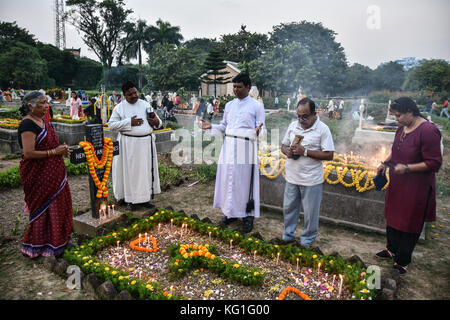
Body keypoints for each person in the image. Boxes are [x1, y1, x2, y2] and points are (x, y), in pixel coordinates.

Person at [376, 97, 442, 274]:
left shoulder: (428, 131)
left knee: (409, 221)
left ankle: (402, 260)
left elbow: (435, 163)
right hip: (398, 183)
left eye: (398, 115)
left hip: (416, 187)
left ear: (410, 112)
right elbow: (395, 150)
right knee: (393, 215)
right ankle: (392, 249)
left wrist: (407, 168)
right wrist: (384, 162)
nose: (396, 119)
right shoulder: (401, 128)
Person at [198, 73, 265, 234]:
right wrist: (211, 127)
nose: (235, 90)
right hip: (228, 147)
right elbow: (223, 126)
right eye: (234, 86)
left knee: (244, 182)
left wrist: (258, 132)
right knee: (229, 180)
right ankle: (230, 213)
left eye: (239, 87)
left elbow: (262, 129)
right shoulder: (229, 105)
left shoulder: (256, 106)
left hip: (245, 148)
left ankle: (247, 216)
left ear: (248, 87)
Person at [18, 91, 73, 258]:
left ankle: (58, 241)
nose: (46, 106)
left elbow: (51, 145)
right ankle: (40, 245)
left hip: (54, 174)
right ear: (30, 106)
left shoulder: (43, 121)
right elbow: (28, 153)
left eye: (46, 102)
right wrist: (53, 152)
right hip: (38, 175)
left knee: (59, 206)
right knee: (44, 208)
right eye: (42, 103)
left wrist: (61, 150)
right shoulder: (28, 124)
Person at [280, 98, 335, 246]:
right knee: (289, 208)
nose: (301, 120)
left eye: (305, 116)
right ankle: (288, 236)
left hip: (311, 180)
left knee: (310, 213)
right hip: (292, 177)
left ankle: (306, 240)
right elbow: (283, 146)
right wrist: (288, 152)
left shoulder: (323, 129)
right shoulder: (293, 126)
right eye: (298, 116)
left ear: (314, 114)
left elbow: (329, 154)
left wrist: (305, 152)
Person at [108, 81, 162, 212]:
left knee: (145, 172)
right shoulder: (119, 108)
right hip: (130, 145)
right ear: (124, 95)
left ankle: (145, 198)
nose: (134, 95)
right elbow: (111, 125)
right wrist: (129, 122)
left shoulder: (145, 104)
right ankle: (131, 199)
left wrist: (156, 122)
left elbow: (158, 121)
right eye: (130, 94)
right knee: (132, 173)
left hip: (146, 144)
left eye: (135, 92)